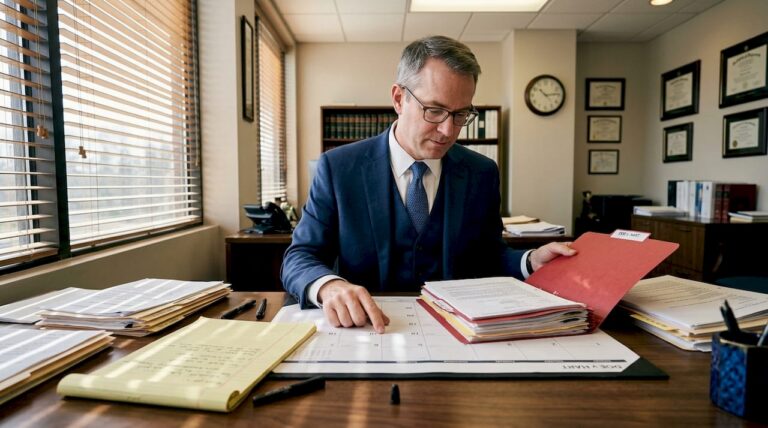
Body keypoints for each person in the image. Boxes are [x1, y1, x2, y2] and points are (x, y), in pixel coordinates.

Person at [282, 35, 575, 333]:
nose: (448, 131)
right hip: (368, 330)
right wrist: (329, 286)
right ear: (399, 99)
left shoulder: (481, 172)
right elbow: (300, 256)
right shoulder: (339, 168)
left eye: (461, 114)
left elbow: (490, 257)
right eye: (434, 110)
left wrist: (531, 260)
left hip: (458, 333)